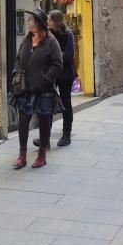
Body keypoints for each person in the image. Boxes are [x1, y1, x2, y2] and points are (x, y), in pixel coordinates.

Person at [11, 8, 62, 169]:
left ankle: (42, 155)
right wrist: (16, 72)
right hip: (25, 89)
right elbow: (18, 58)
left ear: (38, 23)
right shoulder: (26, 40)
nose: (27, 23)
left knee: (44, 121)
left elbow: (57, 64)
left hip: (44, 89)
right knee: (23, 122)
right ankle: (22, 155)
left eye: (30, 20)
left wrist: (46, 79)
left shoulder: (51, 41)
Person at [40, 9, 75, 147]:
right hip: (53, 74)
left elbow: (68, 56)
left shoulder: (68, 34)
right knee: (47, 103)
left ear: (56, 21)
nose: (47, 22)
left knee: (66, 103)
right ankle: (46, 137)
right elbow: (44, 54)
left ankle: (66, 134)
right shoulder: (49, 35)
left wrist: (54, 56)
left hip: (66, 74)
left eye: (49, 20)